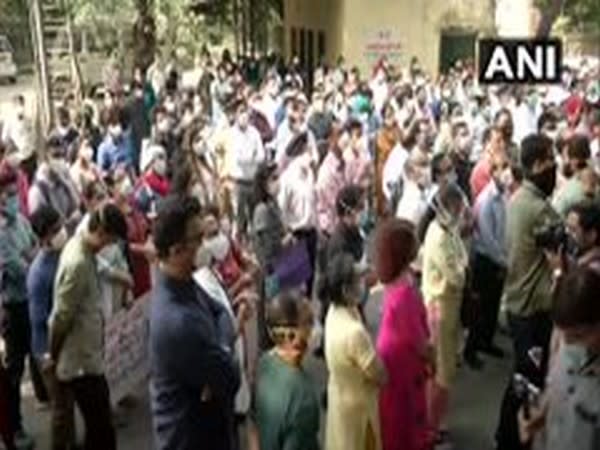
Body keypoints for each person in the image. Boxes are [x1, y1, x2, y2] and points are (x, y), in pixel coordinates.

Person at [149, 195, 240, 450]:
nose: (206, 245)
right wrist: (223, 358)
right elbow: (231, 377)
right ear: (176, 250)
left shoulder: (186, 283)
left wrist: (219, 350)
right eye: (199, 240)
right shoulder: (177, 321)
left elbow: (221, 312)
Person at [496, 134, 560, 450]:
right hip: (531, 310)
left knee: (523, 375)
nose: (555, 166)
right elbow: (567, 245)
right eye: (550, 159)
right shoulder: (539, 209)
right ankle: (511, 439)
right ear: (536, 165)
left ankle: (507, 436)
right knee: (528, 379)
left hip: (519, 303)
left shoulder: (520, 198)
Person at [48, 202, 127, 450]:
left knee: (99, 428)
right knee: (102, 430)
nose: (110, 246)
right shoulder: (78, 262)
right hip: (80, 363)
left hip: (89, 354)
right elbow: (61, 317)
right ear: (102, 232)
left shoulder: (85, 248)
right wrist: (53, 353)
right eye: (111, 240)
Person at [518, 265, 600, 450]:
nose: (571, 346)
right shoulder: (569, 344)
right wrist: (542, 415)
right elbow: (556, 386)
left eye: (579, 336)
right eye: (564, 336)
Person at [374, 218, 432, 450]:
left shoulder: (395, 282)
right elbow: (420, 344)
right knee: (404, 423)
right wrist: (433, 350)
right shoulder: (405, 294)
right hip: (402, 364)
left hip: (392, 354)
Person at [323, 252, 387, 450]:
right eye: (357, 279)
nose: (362, 283)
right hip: (358, 406)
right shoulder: (355, 333)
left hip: (339, 397)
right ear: (345, 290)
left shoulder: (334, 312)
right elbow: (379, 374)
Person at [422, 182, 469, 446]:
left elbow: (462, 259)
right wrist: (462, 269)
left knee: (443, 369)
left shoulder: (446, 229)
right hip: (441, 307)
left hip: (449, 306)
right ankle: (432, 428)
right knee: (441, 373)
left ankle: (435, 422)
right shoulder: (439, 235)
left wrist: (462, 268)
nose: (461, 212)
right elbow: (457, 276)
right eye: (458, 208)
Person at [0, 162, 40, 449]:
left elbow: (35, 247)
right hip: (11, 306)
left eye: (14, 189)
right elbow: (15, 267)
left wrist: (30, 259)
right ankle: (15, 428)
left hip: (31, 301)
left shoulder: (22, 222)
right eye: (7, 191)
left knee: (37, 354)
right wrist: (30, 260)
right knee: (13, 373)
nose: (13, 196)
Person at [252, 290, 320, 450]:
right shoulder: (304, 399)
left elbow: (253, 423)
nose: (315, 328)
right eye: (309, 322)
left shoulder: (265, 362)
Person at [464, 155, 511, 369]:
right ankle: (471, 349)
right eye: (504, 170)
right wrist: (504, 260)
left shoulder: (504, 195)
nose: (508, 176)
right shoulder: (485, 200)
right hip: (486, 260)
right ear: (494, 173)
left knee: (493, 304)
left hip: (499, 258)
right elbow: (487, 237)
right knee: (479, 307)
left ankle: (487, 341)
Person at [278, 133, 319, 296]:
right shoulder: (287, 179)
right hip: (296, 234)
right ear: (298, 154)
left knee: (310, 278)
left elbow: (312, 201)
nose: (311, 156)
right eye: (308, 152)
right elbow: (281, 210)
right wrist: (287, 233)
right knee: (295, 282)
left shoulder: (309, 173)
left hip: (311, 232)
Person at [228, 99, 266, 238]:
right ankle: (240, 242)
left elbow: (261, 155)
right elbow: (240, 159)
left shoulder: (254, 132)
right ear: (236, 115)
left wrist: (251, 158)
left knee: (255, 216)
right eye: (241, 112)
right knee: (240, 218)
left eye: (246, 112)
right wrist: (251, 157)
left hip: (253, 180)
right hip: (239, 181)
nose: (244, 116)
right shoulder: (232, 134)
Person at [29, 137, 82, 234]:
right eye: (56, 156)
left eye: (62, 156)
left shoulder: (63, 179)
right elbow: (39, 230)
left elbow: (77, 204)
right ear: (46, 158)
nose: (60, 160)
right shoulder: (37, 191)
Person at [553, 135, 596, 217]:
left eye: (566, 156)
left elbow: (557, 214)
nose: (565, 161)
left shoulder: (570, 190)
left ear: (574, 161)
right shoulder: (595, 176)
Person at [469, 126, 507, 202]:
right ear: (487, 144)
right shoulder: (479, 172)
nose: (503, 145)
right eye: (498, 141)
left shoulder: (504, 164)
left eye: (503, 140)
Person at [134, 144, 170, 217]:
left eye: (164, 159)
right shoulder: (143, 186)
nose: (163, 162)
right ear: (151, 162)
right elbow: (156, 209)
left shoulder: (163, 180)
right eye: (160, 158)